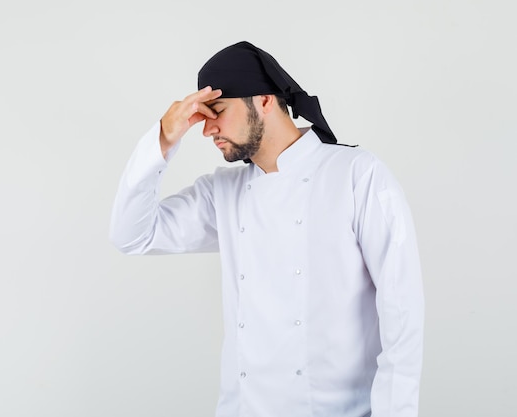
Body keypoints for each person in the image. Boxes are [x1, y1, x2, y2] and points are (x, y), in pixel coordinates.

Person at [109, 41, 424, 417]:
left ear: (264, 100)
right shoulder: (222, 193)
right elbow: (131, 235)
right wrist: (163, 137)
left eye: (217, 111)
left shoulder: (357, 175)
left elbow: (402, 313)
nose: (207, 129)